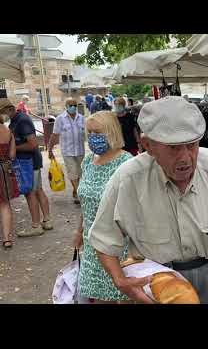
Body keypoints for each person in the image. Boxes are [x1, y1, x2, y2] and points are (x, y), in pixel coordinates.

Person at [88, 96, 208, 304]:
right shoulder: (128, 178)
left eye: (191, 145)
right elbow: (103, 239)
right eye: (174, 148)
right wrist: (120, 281)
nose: (186, 158)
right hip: (161, 284)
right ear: (148, 145)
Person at [74, 111, 133, 303]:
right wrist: (79, 230)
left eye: (97, 132)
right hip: (91, 244)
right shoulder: (88, 162)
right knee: (97, 296)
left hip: (118, 245)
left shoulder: (127, 163)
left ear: (111, 131)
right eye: (89, 133)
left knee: (122, 295)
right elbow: (85, 201)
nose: (92, 137)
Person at [0, 99, 53, 237]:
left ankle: (36, 225)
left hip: (29, 161)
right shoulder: (16, 120)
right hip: (31, 160)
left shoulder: (21, 120)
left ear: (8, 109)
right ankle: (47, 220)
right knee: (37, 190)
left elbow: (33, 144)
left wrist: (11, 148)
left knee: (30, 193)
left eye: (2, 112)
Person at [48, 98, 86, 205]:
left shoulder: (82, 118)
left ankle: (75, 190)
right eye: (70, 105)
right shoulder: (60, 119)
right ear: (66, 106)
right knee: (72, 173)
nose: (73, 107)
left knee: (80, 173)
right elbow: (54, 135)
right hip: (67, 151)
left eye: (74, 105)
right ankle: (79, 195)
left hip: (80, 150)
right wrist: (50, 149)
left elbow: (87, 132)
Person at [0, 111, 19, 249]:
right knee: (5, 205)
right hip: (5, 170)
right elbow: (12, 155)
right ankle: (7, 239)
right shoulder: (8, 131)